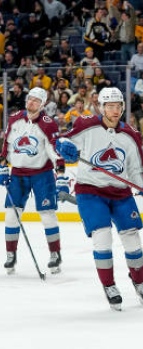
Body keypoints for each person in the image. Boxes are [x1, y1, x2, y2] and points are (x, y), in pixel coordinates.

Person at [54, 87, 143, 310]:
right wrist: (65, 148)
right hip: (90, 191)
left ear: (123, 107)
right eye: (110, 106)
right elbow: (62, 142)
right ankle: (109, 285)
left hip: (121, 193)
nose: (114, 110)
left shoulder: (131, 134)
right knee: (102, 236)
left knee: (132, 238)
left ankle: (140, 282)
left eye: (118, 106)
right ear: (101, 107)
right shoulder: (86, 125)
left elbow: (136, 170)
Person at [0, 87, 65, 275]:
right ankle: (11, 254)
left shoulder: (48, 123)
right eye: (30, 99)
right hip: (18, 175)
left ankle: (55, 254)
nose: (31, 102)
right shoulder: (15, 119)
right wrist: (3, 167)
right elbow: (7, 146)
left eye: (36, 100)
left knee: (47, 214)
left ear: (42, 104)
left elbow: (55, 151)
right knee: (11, 215)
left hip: (42, 175)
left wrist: (60, 175)